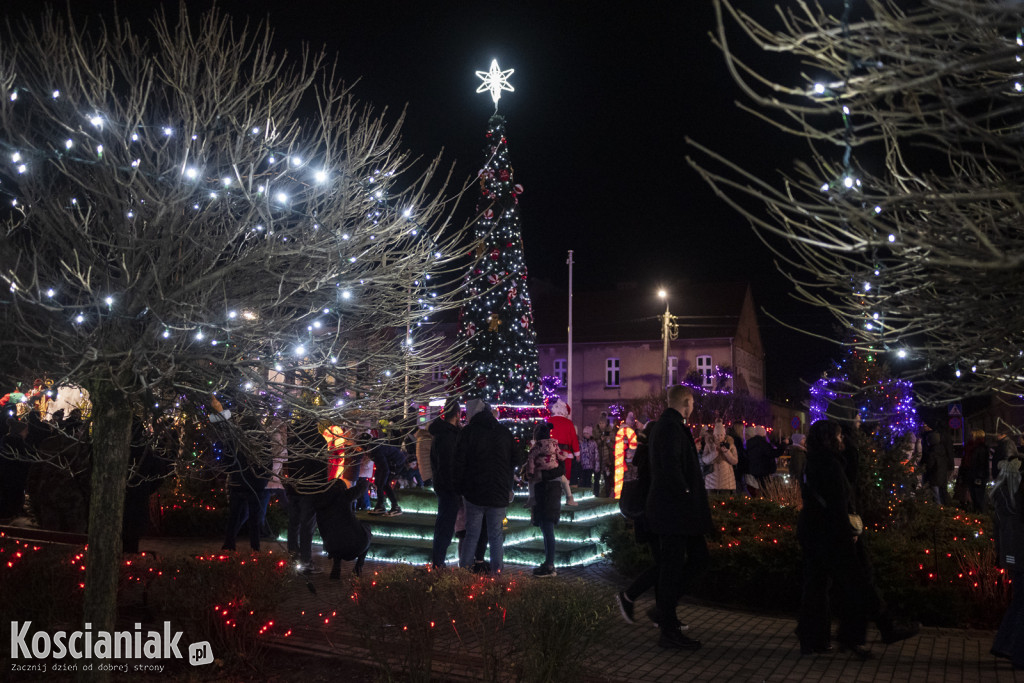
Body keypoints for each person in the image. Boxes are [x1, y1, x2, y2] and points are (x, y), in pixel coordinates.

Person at [797, 419, 918, 659]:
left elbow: (846, 480)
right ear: (830, 438)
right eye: (840, 436)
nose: (842, 440)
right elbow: (838, 504)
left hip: (816, 533)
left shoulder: (817, 460)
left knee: (820, 585)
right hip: (833, 534)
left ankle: (816, 638)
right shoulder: (828, 465)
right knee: (858, 583)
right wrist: (848, 532)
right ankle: (867, 633)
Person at [645, 385, 711, 650]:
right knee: (675, 567)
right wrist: (685, 491)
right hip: (676, 511)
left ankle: (664, 612)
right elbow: (670, 466)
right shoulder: (671, 427)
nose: (694, 407)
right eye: (692, 402)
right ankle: (667, 626)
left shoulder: (670, 425)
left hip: (678, 510)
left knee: (696, 559)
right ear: (686, 402)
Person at [454, 399, 515, 573]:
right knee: (496, 536)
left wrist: (460, 487)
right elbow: (514, 460)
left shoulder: (469, 432)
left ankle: (464, 573)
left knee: (472, 534)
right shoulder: (504, 433)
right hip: (498, 492)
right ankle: (497, 575)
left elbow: (459, 462)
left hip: (474, 491)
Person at [209, 396, 269, 553]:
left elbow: (227, 455)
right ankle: (255, 548)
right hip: (255, 484)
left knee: (234, 516)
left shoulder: (236, 436)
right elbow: (267, 461)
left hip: (238, 481)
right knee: (254, 518)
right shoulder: (262, 437)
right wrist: (263, 480)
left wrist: (232, 471)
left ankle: (229, 545)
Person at [990, 450, 1023, 670]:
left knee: (1020, 600)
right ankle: (1018, 653)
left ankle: (1005, 645)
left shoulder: (1003, 491)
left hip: (1013, 554)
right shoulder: (1018, 492)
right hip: (1021, 552)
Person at [527, 421, 567, 577]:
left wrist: (538, 475)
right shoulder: (555, 448)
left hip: (547, 491)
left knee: (548, 526)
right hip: (548, 491)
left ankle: (550, 565)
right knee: (545, 526)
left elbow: (559, 470)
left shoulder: (537, 448)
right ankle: (548, 563)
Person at [314, 478, 372, 579]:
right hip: (355, 547)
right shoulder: (345, 497)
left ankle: (336, 567)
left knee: (336, 535)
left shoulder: (320, 503)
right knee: (367, 530)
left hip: (332, 548)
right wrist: (365, 481)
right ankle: (359, 566)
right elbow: (362, 486)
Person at [429, 399, 461, 568]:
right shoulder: (448, 436)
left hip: (443, 485)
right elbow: (448, 465)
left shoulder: (442, 434)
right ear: (457, 414)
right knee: (445, 526)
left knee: (444, 524)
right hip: (449, 487)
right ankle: (438, 563)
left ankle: (438, 561)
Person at [547, 400, 580, 506]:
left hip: (550, 451)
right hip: (565, 453)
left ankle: (552, 495)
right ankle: (567, 497)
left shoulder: (549, 420)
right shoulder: (568, 423)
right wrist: (577, 454)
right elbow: (573, 439)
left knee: (551, 473)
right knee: (565, 476)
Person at [368, 437, 407, 516]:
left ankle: (395, 507)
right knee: (379, 483)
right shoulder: (374, 449)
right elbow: (380, 463)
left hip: (396, 463)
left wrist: (382, 482)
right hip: (391, 463)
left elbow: (385, 469)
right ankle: (380, 506)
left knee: (384, 484)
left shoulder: (376, 451)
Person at [701, 420, 738, 493]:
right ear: (714, 435)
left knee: (725, 502)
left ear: (724, 435)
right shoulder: (709, 445)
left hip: (727, 481)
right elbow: (704, 460)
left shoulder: (730, 445)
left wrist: (727, 452)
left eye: (721, 435)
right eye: (717, 435)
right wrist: (714, 454)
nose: (719, 437)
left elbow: (735, 461)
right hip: (711, 481)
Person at [921, 422, 953, 505]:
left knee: (936, 495)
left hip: (934, 476)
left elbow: (930, 464)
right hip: (941, 476)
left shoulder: (932, 452)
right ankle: (945, 508)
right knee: (942, 493)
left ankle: (939, 510)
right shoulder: (942, 451)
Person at [963, 430, 990, 513]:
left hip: (978, 476)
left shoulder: (980, 448)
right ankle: (977, 512)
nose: (971, 437)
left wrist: (979, 476)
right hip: (973, 474)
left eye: (972, 435)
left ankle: (981, 513)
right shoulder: (973, 447)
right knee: (974, 495)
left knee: (978, 496)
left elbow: (981, 463)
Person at [745, 425, 777, 495]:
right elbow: (772, 453)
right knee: (764, 491)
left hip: (754, 472)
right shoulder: (763, 444)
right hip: (763, 471)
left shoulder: (749, 445)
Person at [614, 413, 638, 499]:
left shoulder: (632, 435)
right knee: (626, 481)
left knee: (630, 480)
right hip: (624, 461)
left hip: (629, 461)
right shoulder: (624, 435)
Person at [594, 412, 615, 498]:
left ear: (606, 423)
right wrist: (600, 440)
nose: (601, 425)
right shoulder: (596, 432)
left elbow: (613, 446)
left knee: (608, 478)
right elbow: (594, 444)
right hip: (598, 459)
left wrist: (608, 441)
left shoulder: (611, 432)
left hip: (608, 459)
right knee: (597, 477)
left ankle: (607, 493)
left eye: (603, 423)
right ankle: (596, 493)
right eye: (600, 423)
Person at [577, 425, 599, 490]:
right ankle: (583, 491)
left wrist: (597, 466)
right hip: (583, 465)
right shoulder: (581, 443)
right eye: (584, 433)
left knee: (588, 481)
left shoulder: (593, 443)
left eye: (587, 433)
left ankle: (588, 491)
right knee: (583, 480)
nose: (585, 435)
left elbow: (596, 455)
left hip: (590, 465)